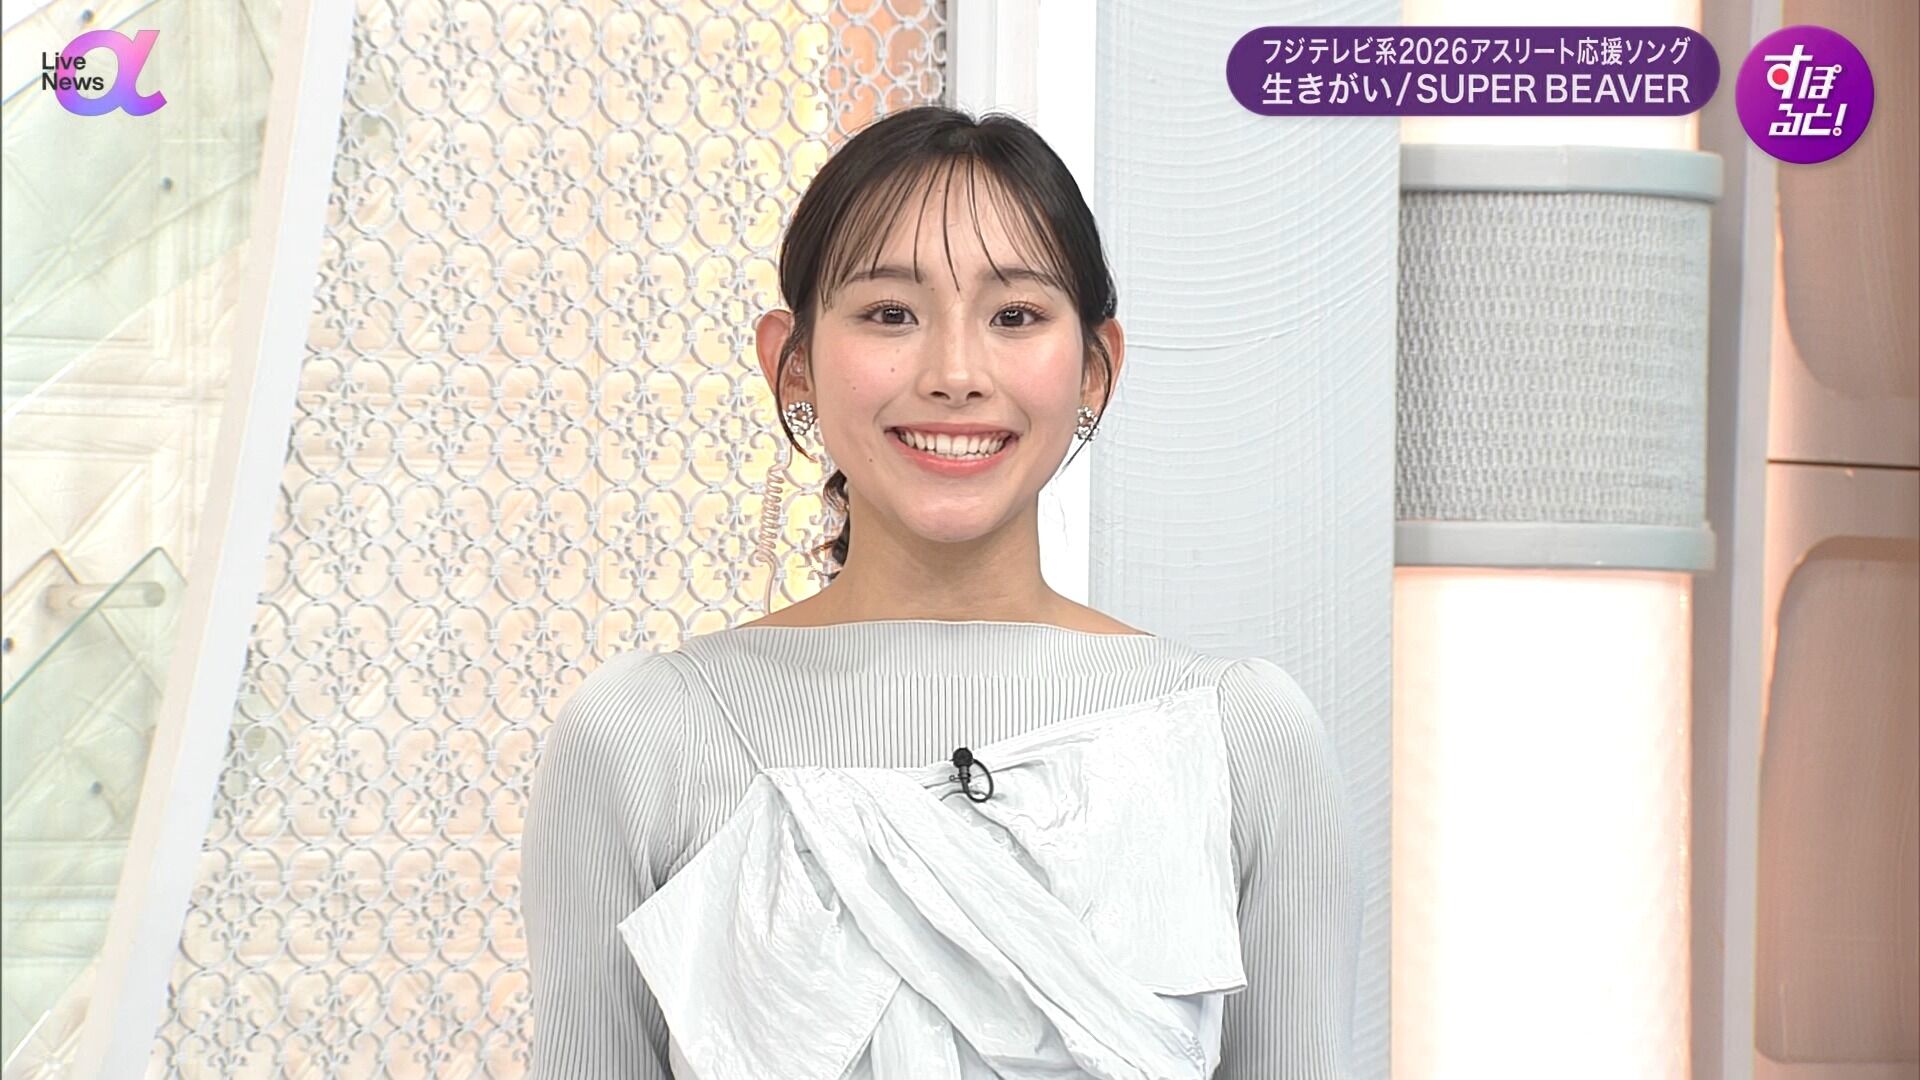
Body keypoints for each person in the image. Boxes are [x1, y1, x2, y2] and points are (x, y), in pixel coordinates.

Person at [521, 105, 1360, 1078]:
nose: (955, 374)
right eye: (890, 314)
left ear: (1095, 369)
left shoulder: (1240, 737)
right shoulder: (638, 739)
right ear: (791, 363)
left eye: (1015, 317)